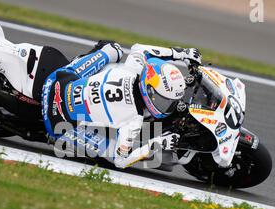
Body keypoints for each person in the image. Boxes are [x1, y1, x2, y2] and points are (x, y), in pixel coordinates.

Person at [41, 40, 202, 168]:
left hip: (57, 81)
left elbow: (140, 48)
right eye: (164, 100)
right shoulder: (134, 121)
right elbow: (120, 161)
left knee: (113, 48)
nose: (166, 105)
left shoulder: (133, 68)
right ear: (150, 91)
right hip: (59, 124)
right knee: (115, 150)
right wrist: (157, 143)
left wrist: (180, 53)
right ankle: (62, 141)